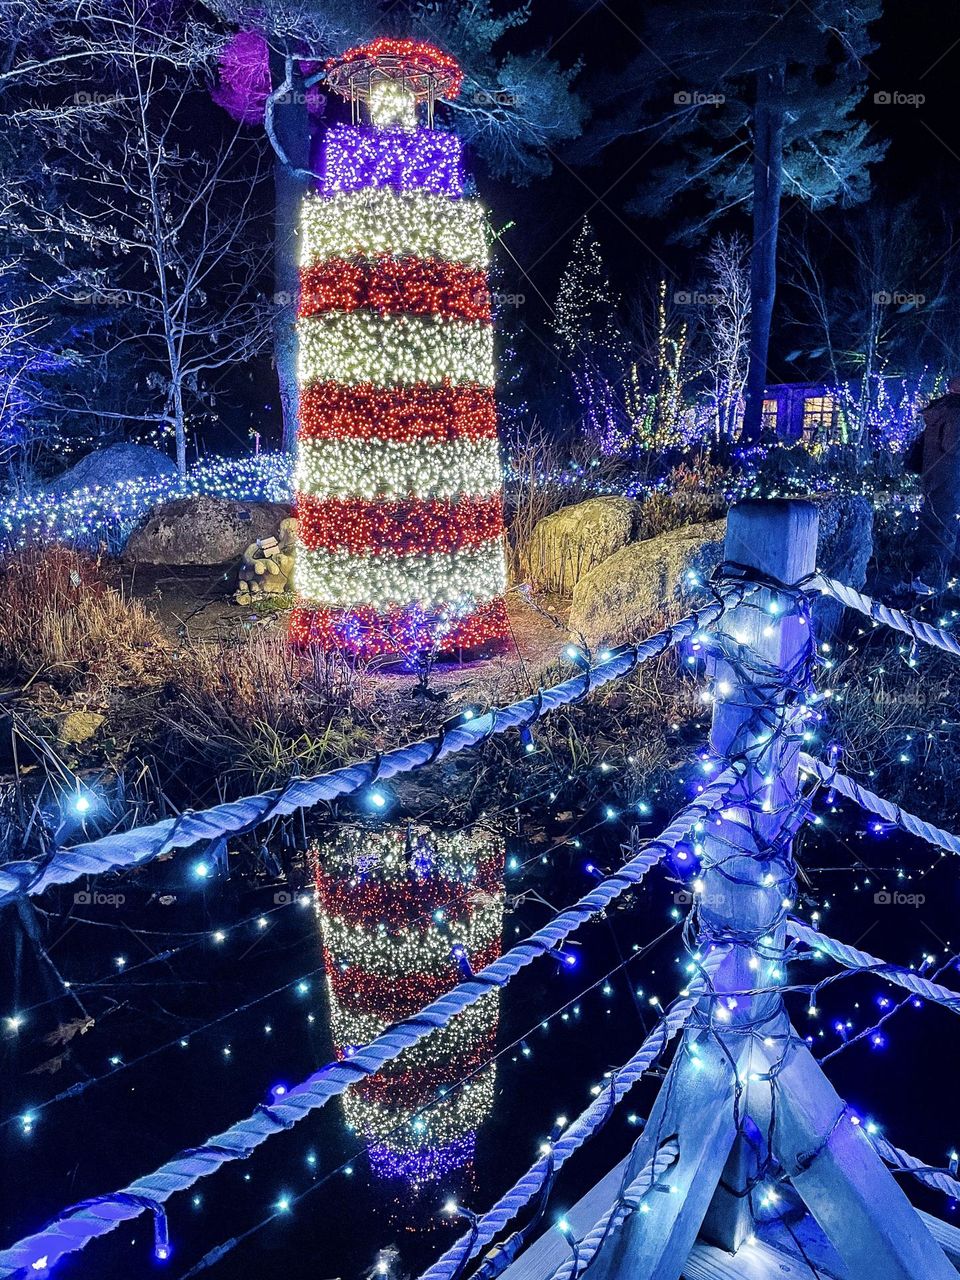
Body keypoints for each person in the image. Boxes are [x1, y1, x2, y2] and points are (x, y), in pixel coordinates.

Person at [912, 376, 960, 591]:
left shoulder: (941, 409)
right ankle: (932, 582)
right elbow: (953, 445)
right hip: (950, 480)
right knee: (943, 528)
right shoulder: (956, 412)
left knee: (932, 524)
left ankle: (919, 577)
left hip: (935, 477)